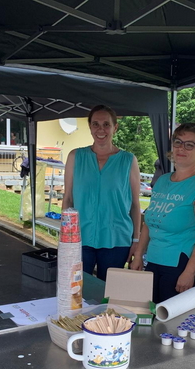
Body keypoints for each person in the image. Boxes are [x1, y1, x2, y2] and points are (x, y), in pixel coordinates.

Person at [130, 123, 195, 304]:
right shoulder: (162, 181)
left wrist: (189, 272)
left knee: (172, 327)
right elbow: (149, 222)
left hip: (180, 267)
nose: (181, 148)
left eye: (190, 144)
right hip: (153, 262)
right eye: (178, 142)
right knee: (150, 319)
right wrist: (138, 255)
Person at [62, 105, 141, 281]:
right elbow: (67, 198)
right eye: (96, 124)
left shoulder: (128, 160)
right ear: (90, 127)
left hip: (117, 239)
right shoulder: (75, 156)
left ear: (115, 127)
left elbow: (135, 204)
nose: (101, 129)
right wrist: (65, 236)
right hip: (80, 237)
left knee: (109, 295)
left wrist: (136, 240)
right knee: (77, 292)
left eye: (106, 124)